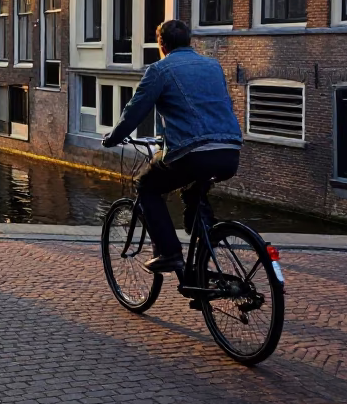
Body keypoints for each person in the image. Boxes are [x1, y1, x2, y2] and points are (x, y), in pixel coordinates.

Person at [101, 20, 242, 274]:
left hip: (192, 153)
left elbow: (135, 111)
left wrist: (113, 137)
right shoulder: (214, 66)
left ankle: (170, 253)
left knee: (147, 185)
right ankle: (206, 232)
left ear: (162, 45)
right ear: (190, 42)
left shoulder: (160, 70)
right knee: (193, 186)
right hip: (230, 151)